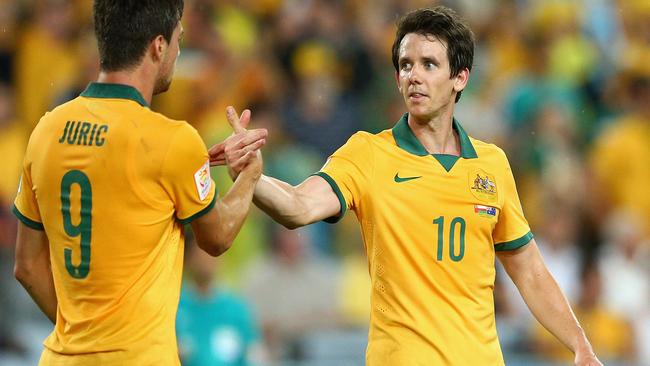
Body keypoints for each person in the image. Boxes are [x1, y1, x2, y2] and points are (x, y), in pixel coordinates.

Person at [212, 6, 602, 366]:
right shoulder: (368, 153)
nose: (413, 75)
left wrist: (580, 344)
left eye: (429, 64)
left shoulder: (492, 164)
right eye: (405, 65)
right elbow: (298, 206)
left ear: (459, 78)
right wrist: (253, 178)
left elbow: (529, 271)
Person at [12, 1, 266, 365]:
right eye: (179, 40)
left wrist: (83, 336)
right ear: (159, 46)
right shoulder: (171, 139)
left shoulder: (45, 130)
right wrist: (250, 172)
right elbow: (218, 235)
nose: (179, 53)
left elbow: (27, 265)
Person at [177, 238, 264, 366]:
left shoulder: (237, 308)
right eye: (200, 254)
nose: (206, 260)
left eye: (211, 253)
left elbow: (254, 355)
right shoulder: (175, 306)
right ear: (188, 259)